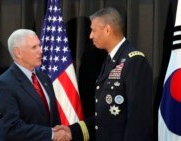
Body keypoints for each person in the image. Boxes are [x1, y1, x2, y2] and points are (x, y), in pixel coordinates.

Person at [55, 7, 153, 141]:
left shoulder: (134, 61)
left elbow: (139, 120)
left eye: (93, 30)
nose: (90, 36)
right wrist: (73, 131)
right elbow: (105, 116)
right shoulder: (109, 61)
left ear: (107, 30)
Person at [0, 29, 71, 141]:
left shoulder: (44, 78)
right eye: (34, 47)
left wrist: (59, 133)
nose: (40, 50)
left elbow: (53, 118)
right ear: (18, 52)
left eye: (39, 45)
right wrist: (51, 135)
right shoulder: (5, 83)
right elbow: (10, 129)